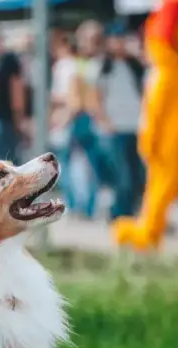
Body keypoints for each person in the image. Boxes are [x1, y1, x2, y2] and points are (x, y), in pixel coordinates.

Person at [54, 20, 112, 220]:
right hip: (89, 118)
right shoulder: (86, 63)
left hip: (85, 119)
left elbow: (79, 99)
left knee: (76, 164)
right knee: (86, 165)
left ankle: (80, 206)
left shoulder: (85, 64)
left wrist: (64, 117)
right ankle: (84, 207)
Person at [97, 28, 146, 219]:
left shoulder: (135, 65)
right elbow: (97, 98)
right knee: (121, 175)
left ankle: (133, 212)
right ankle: (119, 214)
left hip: (136, 126)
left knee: (137, 175)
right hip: (115, 128)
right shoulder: (103, 67)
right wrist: (105, 121)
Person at [0, 31, 26, 163]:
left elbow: (16, 88)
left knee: (3, 159)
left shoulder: (8, 60)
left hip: (5, 118)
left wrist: (18, 116)